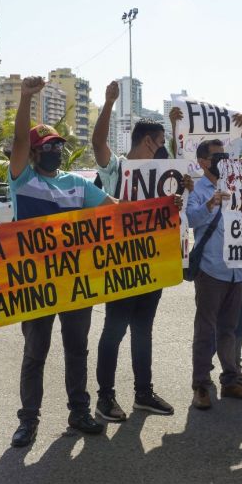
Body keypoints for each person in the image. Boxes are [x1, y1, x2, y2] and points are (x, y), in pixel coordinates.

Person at [9, 76, 116, 448]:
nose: (56, 150)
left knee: (77, 350)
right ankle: (28, 420)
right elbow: (21, 140)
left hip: (76, 284)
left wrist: (160, 211)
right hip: (35, 283)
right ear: (35, 154)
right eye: (48, 146)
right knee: (35, 353)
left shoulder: (78, 184)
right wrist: (25, 98)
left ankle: (79, 411)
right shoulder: (22, 182)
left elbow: (116, 212)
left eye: (58, 145)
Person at [90, 80, 180, 421]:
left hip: (152, 263)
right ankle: (105, 398)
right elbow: (98, 142)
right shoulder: (117, 170)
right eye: (161, 142)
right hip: (121, 265)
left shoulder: (160, 174)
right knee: (114, 330)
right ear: (148, 141)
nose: (163, 149)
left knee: (144, 330)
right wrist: (109, 101)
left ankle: (144, 393)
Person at [186, 138, 242, 408]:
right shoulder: (197, 189)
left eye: (225, 156)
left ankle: (231, 380)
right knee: (206, 330)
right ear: (204, 162)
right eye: (218, 157)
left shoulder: (239, 184)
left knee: (229, 329)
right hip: (211, 270)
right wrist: (210, 203)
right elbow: (190, 220)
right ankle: (201, 385)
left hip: (237, 271)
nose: (224, 161)